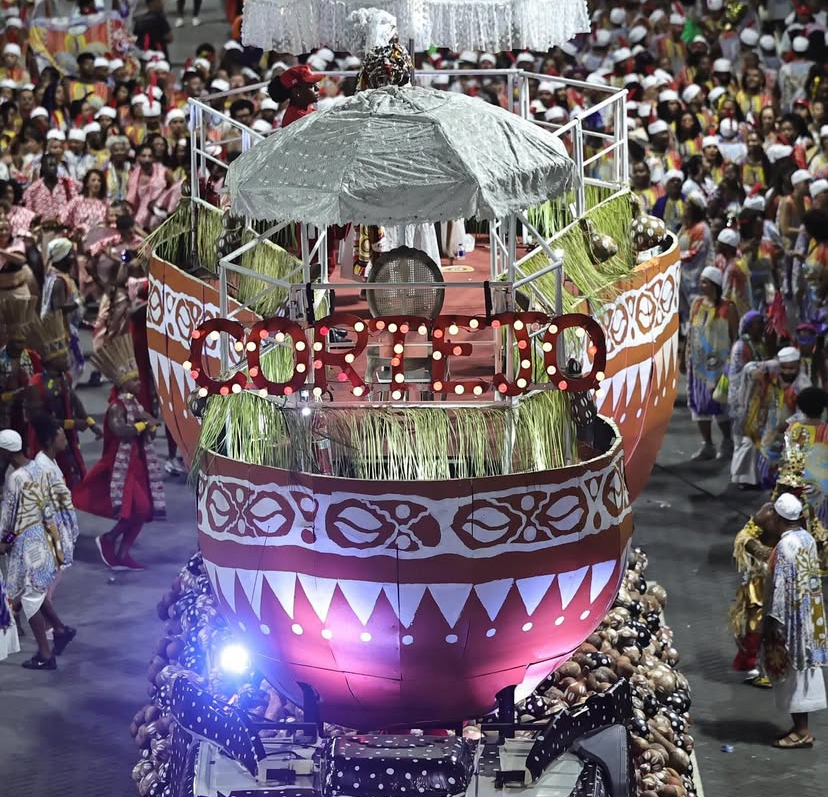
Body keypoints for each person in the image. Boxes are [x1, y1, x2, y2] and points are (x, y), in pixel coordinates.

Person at [73, 335, 165, 571]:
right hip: (121, 468)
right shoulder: (116, 407)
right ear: (123, 384)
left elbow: (148, 428)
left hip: (137, 464)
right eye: (134, 381)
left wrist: (151, 427)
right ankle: (108, 539)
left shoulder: (134, 404)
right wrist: (145, 424)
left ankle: (123, 554)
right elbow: (122, 431)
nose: (139, 384)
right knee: (137, 510)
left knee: (143, 511)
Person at [0, 429, 75, 670]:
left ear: (6, 451)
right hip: (45, 539)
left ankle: (45, 654)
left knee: (29, 597)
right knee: (36, 592)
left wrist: (5, 540)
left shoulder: (16, 478)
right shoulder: (40, 468)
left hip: (27, 546)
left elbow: (10, 519)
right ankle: (60, 630)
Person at [761, 492, 828, 748]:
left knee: (794, 675)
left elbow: (779, 587)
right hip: (810, 617)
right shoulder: (807, 538)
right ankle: (801, 728)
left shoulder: (786, 545)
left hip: (791, 622)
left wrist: (772, 620)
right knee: (805, 672)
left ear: (778, 518)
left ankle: (801, 732)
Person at [26, 313, 102, 488]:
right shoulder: (35, 386)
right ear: (50, 361)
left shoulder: (65, 378)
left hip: (65, 434)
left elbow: (74, 401)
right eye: (63, 356)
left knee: (72, 472)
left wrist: (91, 423)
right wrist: (72, 423)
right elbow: (40, 420)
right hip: (45, 438)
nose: (68, 359)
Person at [686, 265, 739, 460]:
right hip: (698, 366)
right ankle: (707, 444)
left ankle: (727, 442)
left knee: (720, 403)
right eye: (700, 281)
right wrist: (685, 357)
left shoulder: (728, 308)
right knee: (700, 405)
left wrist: (734, 363)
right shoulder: (697, 304)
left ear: (715, 284)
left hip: (720, 366)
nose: (701, 285)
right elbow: (691, 333)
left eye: (704, 282)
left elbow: (735, 337)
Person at [744, 347, 812, 489]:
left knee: (787, 467)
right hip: (770, 418)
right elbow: (749, 366)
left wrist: (784, 426)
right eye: (784, 367)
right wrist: (753, 372)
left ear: (798, 364)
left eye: (791, 368)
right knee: (766, 459)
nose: (787, 371)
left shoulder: (803, 385)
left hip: (790, 429)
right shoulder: (773, 366)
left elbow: (804, 414)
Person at [31, 413, 79, 574]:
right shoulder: (42, 466)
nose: (65, 441)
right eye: (62, 438)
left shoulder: (51, 460)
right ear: (49, 441)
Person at [729, 310, 767, 488]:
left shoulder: (759, 344)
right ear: (748, 326)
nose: (761, 326)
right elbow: (740, 374)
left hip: (757, 398)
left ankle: (753, 477)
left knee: (754, 437)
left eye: (762, 322)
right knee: (745, 438)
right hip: (743, 399)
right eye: (757, 323)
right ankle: (741, 477)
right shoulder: (741, 346)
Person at [267, 64, 323, 128]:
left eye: (315, 83)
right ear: (296, 93)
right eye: (311, 86)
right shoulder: (294, 122)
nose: (317, 88)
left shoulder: (308, 107)